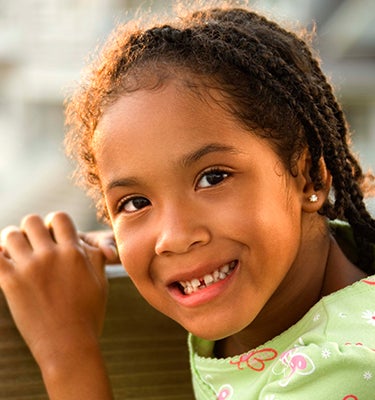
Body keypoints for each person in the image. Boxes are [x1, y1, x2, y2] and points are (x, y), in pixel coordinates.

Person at [1, 3, 375, 399]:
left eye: (213, 178)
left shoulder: (343, 369)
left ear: (310, 177)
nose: (174, 238)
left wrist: (66, 350)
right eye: (135, 203)